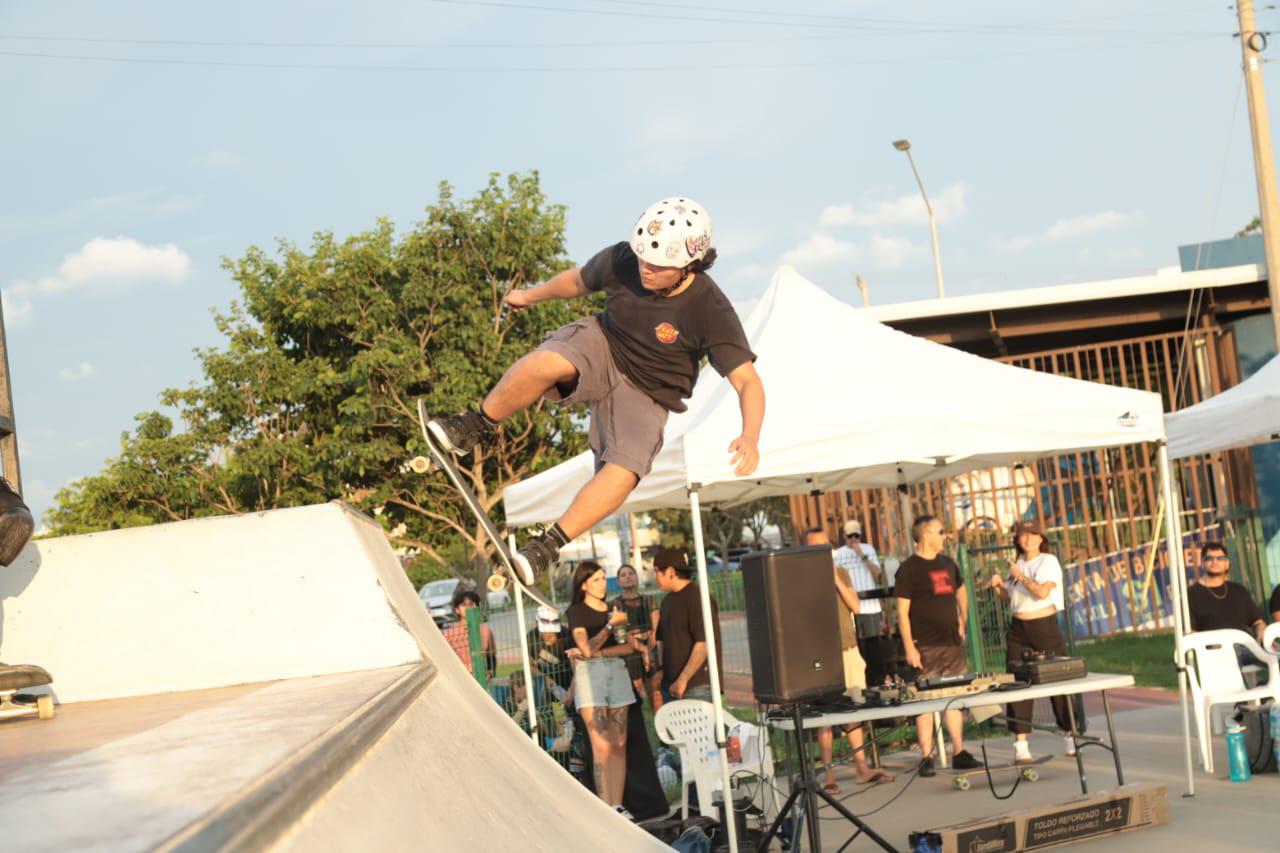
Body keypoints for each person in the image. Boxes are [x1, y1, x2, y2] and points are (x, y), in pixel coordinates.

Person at [426, 199, 765, 585]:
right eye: (642, 260)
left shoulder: (711, 308)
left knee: (626, 471)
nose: (645, 270)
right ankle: (473, 426)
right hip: (603, 343)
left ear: (689, 265)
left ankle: (545, 547)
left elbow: (747, 381)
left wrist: (750, 435)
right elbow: (576, 281)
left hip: (649, 393)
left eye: (657, 267)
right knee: (545, 363)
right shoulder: (622, 260)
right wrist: (530, 295)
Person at [807, 528, 893, 792]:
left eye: (823, 545)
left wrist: (835, 579)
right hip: (822, 653)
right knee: (826, 715)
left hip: (848, 647)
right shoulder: (802, 578)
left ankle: (861, 767)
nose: (819, 550)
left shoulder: (840, 573)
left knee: (854, 709)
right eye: (813, 546)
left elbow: (855, 606)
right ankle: (829, 775)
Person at [895, 514, 981, 775]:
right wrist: (909, 646)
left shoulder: (948, 563)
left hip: (950, 642)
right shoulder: (909, 569)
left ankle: (959, 750)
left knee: (953, 695)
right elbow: (901, 612)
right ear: (926, 535)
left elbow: (962, 590)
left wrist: (962, 618)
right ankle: (925, 755)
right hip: (925, 644)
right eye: (940, 532)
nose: (945, 536)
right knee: (926, 700)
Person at [989, 520, 1077, 762]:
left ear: (1041, 538)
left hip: (1044, 626)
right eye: (1022, 535)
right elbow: (1012, 599)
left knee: (1057, 681)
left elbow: (1041, 592)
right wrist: (999, 586)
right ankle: (1021, 744)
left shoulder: (1047, 561)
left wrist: (1022, 576)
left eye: (1032, 535)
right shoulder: (1017, 564)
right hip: (1019, 628)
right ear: (1017, 539)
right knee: (1017, 683)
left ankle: (1070, 733)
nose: (1027, 539)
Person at [566, 560, 645, 817]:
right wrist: (609, 626)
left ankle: (617, 804)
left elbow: (627, 646)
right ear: (584, 583)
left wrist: (597, 653)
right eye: (597, 580)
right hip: (591, 678)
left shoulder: (614, 607)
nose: (602, 584)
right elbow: (584, 648)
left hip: (617, 672)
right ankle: (606, 807)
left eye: (604, 578)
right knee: (601, 745)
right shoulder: (576, 611)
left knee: (619, 742)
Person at [1187, 542, 1267, 679]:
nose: (1215, 562)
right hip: (1215, 650)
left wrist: (1262, 633)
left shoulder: (1239, 591)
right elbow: (1191, 632)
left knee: (1275, 653)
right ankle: (1246, 697)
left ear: (1227, 563)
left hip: (1246, 647)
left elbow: (1257, 622)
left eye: (1220, 558)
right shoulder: (1192, 594)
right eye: (1209, 559)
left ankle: (1267, 694)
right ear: (1202, 563)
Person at [654, 547, 722, 703]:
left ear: (670, 571)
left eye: (656, 571)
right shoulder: (667, 601)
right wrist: (660, 670)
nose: (654, 576)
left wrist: (682, 679)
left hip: (696, 687)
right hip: (670, 686)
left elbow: (703, 643)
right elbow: (662, 641)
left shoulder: (699, 598)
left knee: (700, 729)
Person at [610, 563, 663, 710]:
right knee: (635, 692)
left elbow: (655, 627)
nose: (628, 577)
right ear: (618, 581)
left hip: (651, 648)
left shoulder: (649, 600)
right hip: (630, 650)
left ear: (636, 577)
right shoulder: (616, 604)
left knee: (656, 691)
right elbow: (621, 632)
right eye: (623, 575)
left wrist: (649, 650)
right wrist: (642, 650)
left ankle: (661, 727)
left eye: (631, 574)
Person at [834, 519, 884, 639]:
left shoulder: (868, 549)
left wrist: (862, 555)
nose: (854, 539)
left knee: (874, 642)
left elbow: (877, 573)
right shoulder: (838, 554)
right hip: (851, 606)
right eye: (850, 536)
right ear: (844, 536)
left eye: (856, 535)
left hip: (870, 606)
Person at [440, 588, 496, 680]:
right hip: (460, 679)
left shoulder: (486, 631)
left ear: (477, 607)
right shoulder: (449, 634)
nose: (468, 608)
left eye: (471, 604)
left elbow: (492, 656)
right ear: (457, 610)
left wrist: (490, 673)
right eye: (464, 605)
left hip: (482, 678)